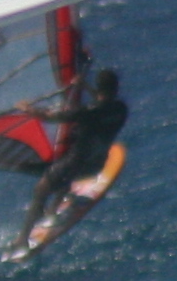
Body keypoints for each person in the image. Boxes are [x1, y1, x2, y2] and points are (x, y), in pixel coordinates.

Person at [17, 65, 128, 253]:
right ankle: (52, 212)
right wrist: (84, 86)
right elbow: (103, 103)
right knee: (67, 170)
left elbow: (51, 117)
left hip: (74, 165)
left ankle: (22, 240)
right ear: (116, 88)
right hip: (96, 166)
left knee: (41, 189)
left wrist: (28, 109)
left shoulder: (88, 112)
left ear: (99, 87)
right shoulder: (120, 109)